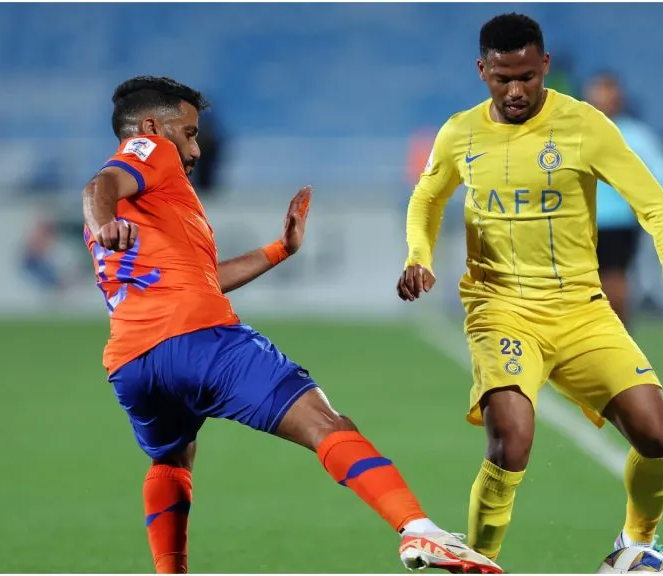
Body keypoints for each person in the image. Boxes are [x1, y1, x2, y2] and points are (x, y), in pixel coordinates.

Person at [83, 76, 501, 575]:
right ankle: (418, 530)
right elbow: (98, 187)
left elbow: (205, 279)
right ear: (153, 126)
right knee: (327, 424)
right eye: (190, 132)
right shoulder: (149, 150)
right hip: (199, 338)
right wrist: (104, 219)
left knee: (172, 458)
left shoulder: (149, 205)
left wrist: (280, 250)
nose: (195, 148)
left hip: (132, 362)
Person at [396, 14, 663, 573]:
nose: (515, 91)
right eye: (502, 78)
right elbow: (427, 198)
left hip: (581, 311)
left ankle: (635, 545)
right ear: (482, 70)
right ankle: (480, 559)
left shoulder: (585, 126)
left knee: (658, 435)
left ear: (546, 68)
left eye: (528, 78)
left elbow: (657, 208)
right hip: (500, 309)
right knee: (511, 439)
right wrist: (419, 254)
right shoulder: (459, 133)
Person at [583, 72, 663, 332]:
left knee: (614, 281)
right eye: (598, 92)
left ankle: (620, 337)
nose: (603, 99)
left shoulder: (636, 136)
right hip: (578, 221)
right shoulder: (576, 131)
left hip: (617, 221)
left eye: (608, 92)